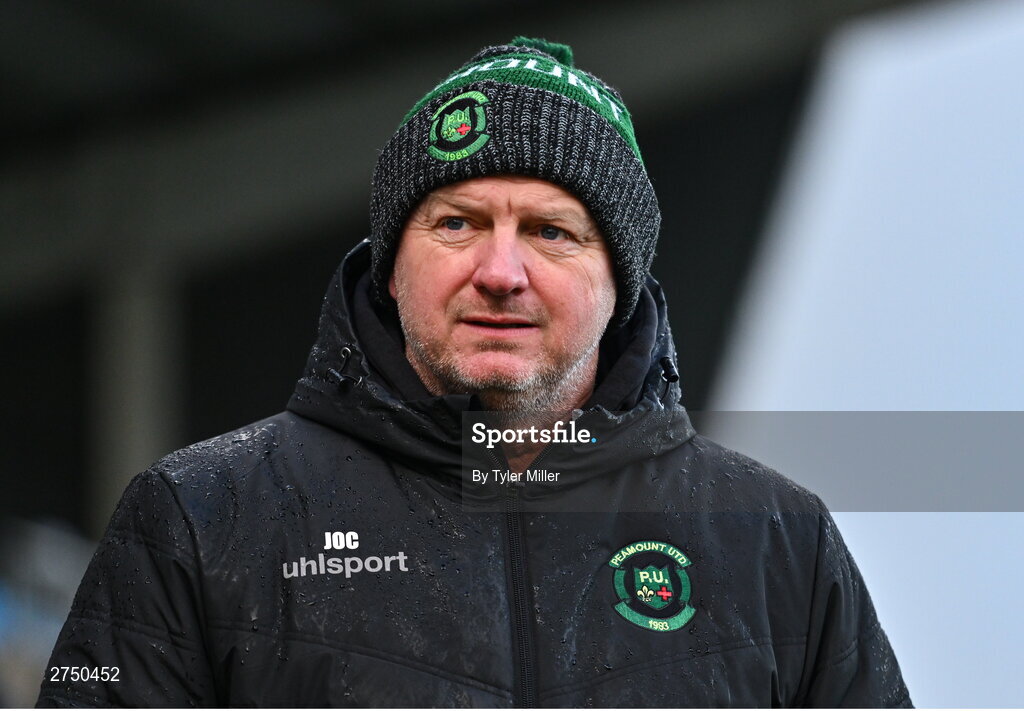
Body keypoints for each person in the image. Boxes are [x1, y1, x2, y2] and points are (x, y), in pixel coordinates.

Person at [38, 37, 911, 707]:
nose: (500, 271)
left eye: (551, 231)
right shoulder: (201, 516)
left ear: (620, 283)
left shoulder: (776, 542)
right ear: (391, 265)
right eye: (457, 223)